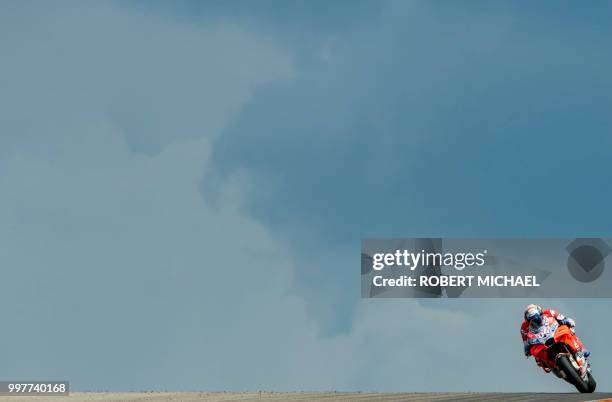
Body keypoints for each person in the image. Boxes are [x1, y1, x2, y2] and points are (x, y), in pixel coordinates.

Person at [520, 304, 589, 373]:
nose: (535, 320)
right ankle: (547, 364)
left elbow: (562, 318)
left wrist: (567, 321)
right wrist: (527, 349)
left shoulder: (549, 312)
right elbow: (525, 340)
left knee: (567, 330)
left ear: (540, 312)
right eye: (531, 319)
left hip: (554, 333)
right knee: (534, 352)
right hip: (540, 340)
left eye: (537, 317)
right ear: (527, 320)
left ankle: (580, 350)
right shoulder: (524, 327)